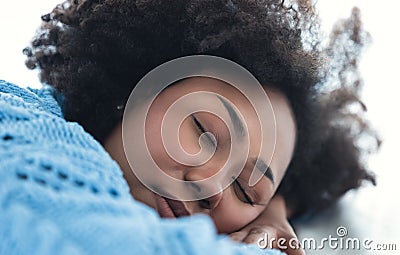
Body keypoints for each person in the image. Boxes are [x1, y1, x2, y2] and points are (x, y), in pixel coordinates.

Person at [22, 0, 378, 253]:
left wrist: (274, 210)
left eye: (244, 190)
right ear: (135, 88)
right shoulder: (22, 130)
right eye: (203, 132)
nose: (211, 187)